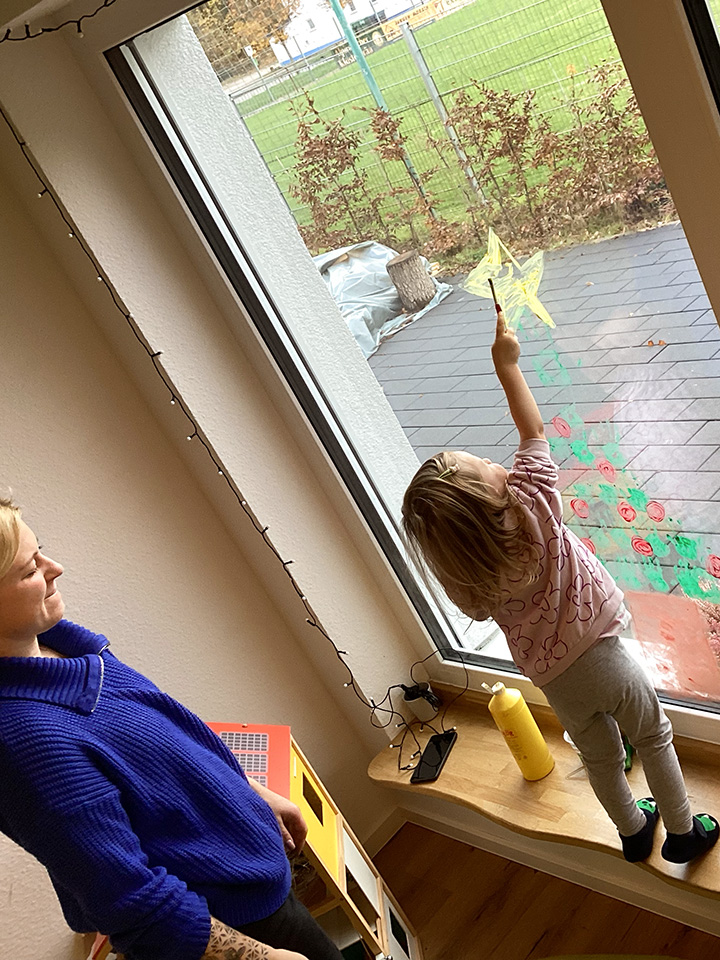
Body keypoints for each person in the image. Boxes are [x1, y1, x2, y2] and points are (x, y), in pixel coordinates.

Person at [401, 305, 719, 865]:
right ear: (495, 491)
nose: (494, 460)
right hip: (604, 654)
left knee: (601, 757)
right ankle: (683, 830)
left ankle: (632, 831)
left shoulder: (467, 573)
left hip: (555, 679)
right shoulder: (534, 503)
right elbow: (534, 430)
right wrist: (507, 366)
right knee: (653, 735)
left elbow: (474, 610)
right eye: (483, 462)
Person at [0, 497, 344, 960]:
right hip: (234, 922)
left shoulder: (62, 646)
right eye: (29, 570)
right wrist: (261, 956)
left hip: (257, 878)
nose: (54, 568)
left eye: (40, 550)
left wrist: (250, 791)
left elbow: (166, 747)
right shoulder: (23, 746)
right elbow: (132, 904)